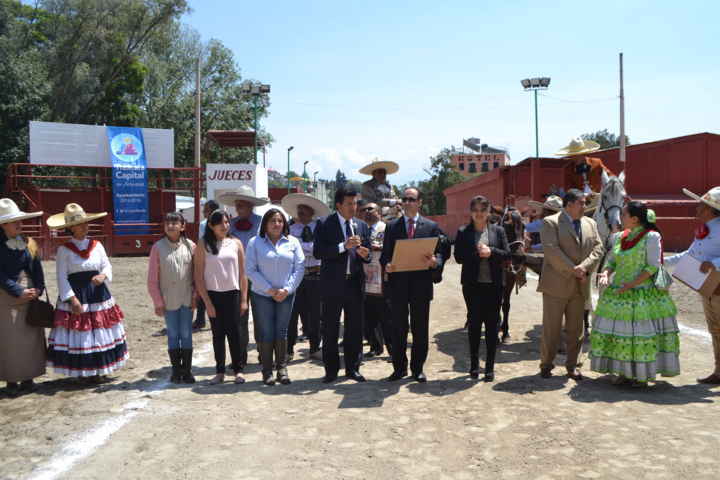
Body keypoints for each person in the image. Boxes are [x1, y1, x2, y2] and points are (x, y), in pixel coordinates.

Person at [591, 201, 680, 385]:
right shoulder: (619, 237)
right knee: (622, 335)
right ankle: (625, 373)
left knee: (639, 335)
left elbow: (652, 266)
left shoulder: (651, 237)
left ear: (635, 219)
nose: (620, 218)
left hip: (643, 295)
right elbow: (611, 261)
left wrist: (631, 284)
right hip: (620, 292)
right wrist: (605, 274)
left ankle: (641, 375)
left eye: (623, 215)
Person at [46, 203, 128, 382]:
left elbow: (106, 265)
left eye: (85, 223)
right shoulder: (64, 250)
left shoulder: (97, 245)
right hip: (77, 295)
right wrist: (72, 299)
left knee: (99, 331)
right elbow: (61, 277)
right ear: (71, 228)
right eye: (80, 224)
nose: (84, 226)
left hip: (97, 294)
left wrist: (103, 275)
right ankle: (82, 373)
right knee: (81, 333)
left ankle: (99, 370)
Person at [381, 187, 447, 383]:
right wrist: (387, 265)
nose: (407, 202)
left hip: (421, 285)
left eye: (411, 199)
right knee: (398, 329)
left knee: (420, 329)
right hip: (398, 285)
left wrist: (436, 262)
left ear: (419, 202)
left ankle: (417, 369)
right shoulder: (391, 227)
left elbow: (440, 252)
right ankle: (399, 368)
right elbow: (385, 255)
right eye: (405, 199)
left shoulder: (431, 226)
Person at [537, 189, 604, 380]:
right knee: (552, 328)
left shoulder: (590, 223)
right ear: (568, 205)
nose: (585, 206)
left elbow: (599, 247)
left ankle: (573, 365)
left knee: (576, 329)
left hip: (580, 285)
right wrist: (574, 270)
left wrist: (584, 267)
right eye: (581, 203)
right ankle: (546, 364)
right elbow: (552, 251)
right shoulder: (551, 222)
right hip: (556, 285)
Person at [313, 186, 372, 383]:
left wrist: (365, 255)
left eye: (355, 203)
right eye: (349, 203)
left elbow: (368, 253)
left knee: (354, 328)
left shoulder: (361, 225)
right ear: (338, 205)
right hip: (332, 284)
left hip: (354, 283)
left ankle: (353, 368)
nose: (353, 207)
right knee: (330, 328)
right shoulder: (324, 223)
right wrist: (343, 246)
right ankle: (331, 370)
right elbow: (318, 252)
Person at [665, 187, 720, 384]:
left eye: (702, 206)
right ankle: (719, 370)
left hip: (717, 284)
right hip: (709, 286)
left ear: (711, 210)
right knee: (715, 329)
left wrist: (714, 263)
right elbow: (689, 255)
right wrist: (663, 261)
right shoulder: (704, 230)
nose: (697, 208)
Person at [246, 209, 305, 385]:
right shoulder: (255, 242)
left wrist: (287, 289)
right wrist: (270, 290)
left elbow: (299, 267)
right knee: (266, 331)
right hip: (262, 295)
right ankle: (267, 371)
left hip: (286, 295)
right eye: (272, 220)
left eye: (280, 221)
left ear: (284, 224)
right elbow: (250, 270)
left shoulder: (293, 242)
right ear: (265, 224)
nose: (277, 224)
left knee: (282, 331)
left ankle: (281, 369)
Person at [454, 196, 509, 381]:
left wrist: (491, 251)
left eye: (483, 210)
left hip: (494, 286)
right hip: (472, 286)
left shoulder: (498, 231)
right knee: (474, 325)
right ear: (471, 212)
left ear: (488, 212)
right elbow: (458, 257)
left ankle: (490, 367)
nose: (479, 214)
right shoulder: (463, 232)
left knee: (492, 327)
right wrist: (477, 253)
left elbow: (507, 254)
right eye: (476, 210)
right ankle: (474, 365)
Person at [194, 209, 248, 385]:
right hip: (213, 294)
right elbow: (198, 276)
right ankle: (219, 371)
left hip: (233, 294)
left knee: (235, 333)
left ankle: (238, 370)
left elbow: (243, 274)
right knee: (218, 334)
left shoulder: (236, 243)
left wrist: (244, 299)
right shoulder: (203, 244)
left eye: (226, 222)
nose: (224, 226)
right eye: (219, 223)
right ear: (211, 225)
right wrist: (207, 302)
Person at [217, 185, 268, 368]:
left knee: (261, 318)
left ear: (250, 205)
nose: (238, 208)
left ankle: (264, 354)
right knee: (239, 319)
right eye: (237, 205)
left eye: (241, 205)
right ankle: (240, 357)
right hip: (237, 277)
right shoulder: (230, 225)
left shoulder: (262, 223)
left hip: (259, 276)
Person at [0, 199, 46, 396]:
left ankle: (29, 378)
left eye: (19, 220)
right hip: (5, 296)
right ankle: (11, 381)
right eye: (14, 221)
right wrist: (17, 290)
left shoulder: (28, 242)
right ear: (4, 224)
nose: (20, 223)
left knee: (31, 337)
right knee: (9, 340)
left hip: (29, 295)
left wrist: (38, 289)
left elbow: (37, 269)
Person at [148, 212, 197, 384]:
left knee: (186, 334)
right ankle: (176, 371)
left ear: (182, 226)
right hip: (168, 300)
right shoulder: (157, 248)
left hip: (187, 298)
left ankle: (187, 371)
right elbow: (152, 279)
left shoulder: (191, 246)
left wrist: (195, 296)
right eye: (167, 223)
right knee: (173, 334)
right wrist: (158, 302)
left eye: (175, 222)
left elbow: (197, 276)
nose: (170, 226)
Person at [282, 193, 330, 361]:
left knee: (315, 314)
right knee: (292, 313)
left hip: (316, 274)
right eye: (299, 210)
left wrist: (302, 247)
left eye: (304, 210)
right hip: (296, 275)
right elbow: (289, 249)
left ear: (311, 211)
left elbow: (319, 250)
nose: (301, 212)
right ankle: (288, 349)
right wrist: (309, 248)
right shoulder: (290, 228)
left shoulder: (321, 227)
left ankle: (315, 347)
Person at [362, 202, 393, 358]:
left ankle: (393, 350)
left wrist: (377, 247)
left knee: (387, 317)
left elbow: (392, 249)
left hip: (383, 276)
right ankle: (375, 346)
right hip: (366, 276)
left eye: (370, 209)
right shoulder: (361, 229)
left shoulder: (386, 228)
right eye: (364, 209)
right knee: (370, 316)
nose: (367, 211)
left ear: (379, 212)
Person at [194, 199, 220, 331]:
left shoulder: (205, 224)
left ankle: (202, 319)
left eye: (206, 210)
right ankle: (201, 319)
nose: (204, 213)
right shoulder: (206, 223)